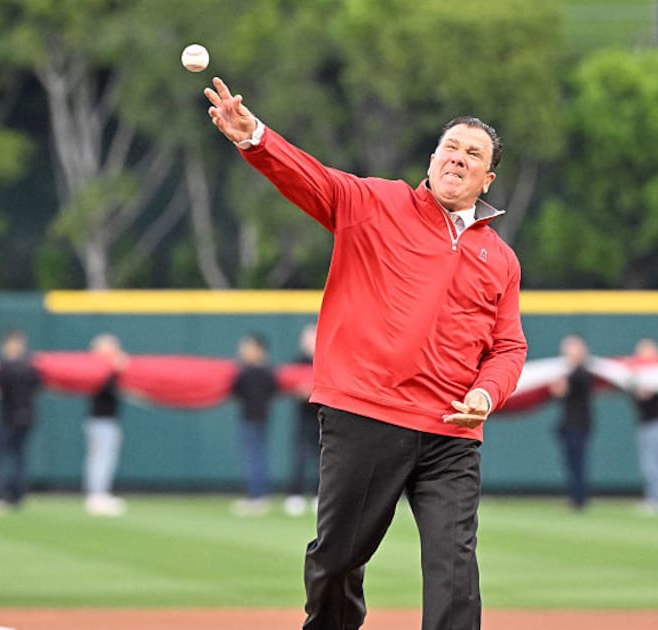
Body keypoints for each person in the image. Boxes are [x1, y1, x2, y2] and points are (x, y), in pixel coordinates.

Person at [206, 77, 527, 630]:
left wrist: (487, 391)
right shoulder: (375, 202)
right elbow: (313, 180)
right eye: (451, 147)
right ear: (432, 158)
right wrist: (253, 137)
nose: (459, 158)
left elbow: (508, 345)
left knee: (455, 573)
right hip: (367, 417)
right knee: (336, 562)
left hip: (451, 432)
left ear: (488, 177)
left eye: (474, 154)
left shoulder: (500, 258)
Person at [0, 329, 41, 515]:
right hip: (27, 418)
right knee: (19, 458)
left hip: (8, 418)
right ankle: (17, 495)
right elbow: (37, 389)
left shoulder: (5, 368)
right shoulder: (31, 367)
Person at [229, 332, 278, 516]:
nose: (243, 351)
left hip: (255, 420)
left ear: (258, 349)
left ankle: (258, 497)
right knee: (255, 458)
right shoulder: (257, 372)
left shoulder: (254, 372)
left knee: (255, 459)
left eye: (248, 347)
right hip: (254, 419)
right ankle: (258, 495)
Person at [84, 334, 127, 517]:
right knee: (100, 459)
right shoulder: (98, 369)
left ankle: (100, 493)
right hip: (100, 420)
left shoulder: (106, 369)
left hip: (107, 420)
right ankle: (97, 495)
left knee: (104, 459)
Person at [551, 335, 595, 512]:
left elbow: (560, 390)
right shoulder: (572, 372)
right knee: (572, 463)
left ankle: (579, 499)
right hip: (570, 424)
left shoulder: (581, 373)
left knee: (577, 463)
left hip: (578, 424)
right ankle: (575, 496)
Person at [284, 322, 320, 517]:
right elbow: (289, 384)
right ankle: (295, 495)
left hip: (320, 417)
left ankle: (319, 495)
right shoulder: (297, 361)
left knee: (322, 459)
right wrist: (301, 391)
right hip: (302, 416)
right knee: (299, 457)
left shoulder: (324, 360)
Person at [631, 338, 658, 514]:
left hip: (656, 423)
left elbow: (646, 393)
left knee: (655, 462)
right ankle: (653, 496)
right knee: (648, 462)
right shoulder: (641, 373)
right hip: (645, 422)